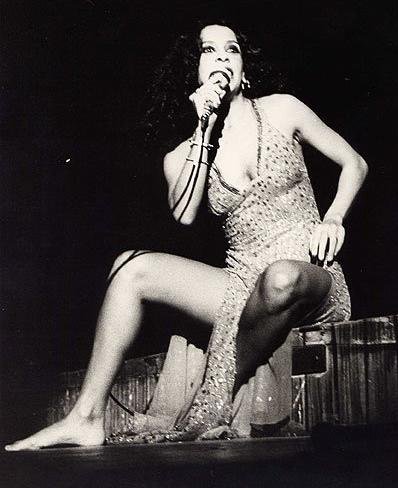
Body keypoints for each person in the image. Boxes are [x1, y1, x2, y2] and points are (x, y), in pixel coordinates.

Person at [5, 21, 367, 450]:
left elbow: (354, 163)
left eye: (232, 50)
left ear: (244, 71)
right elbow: (183, 213)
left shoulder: (282, 109)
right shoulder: (180, 157)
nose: (222, 57)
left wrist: (333, 218)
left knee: (281, 277)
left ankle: (217, 395)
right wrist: (204, 131)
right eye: (208, 51)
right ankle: (86, 417)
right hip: (241, 283)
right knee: (130, 268)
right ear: (194, 72)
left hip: (311, 273)